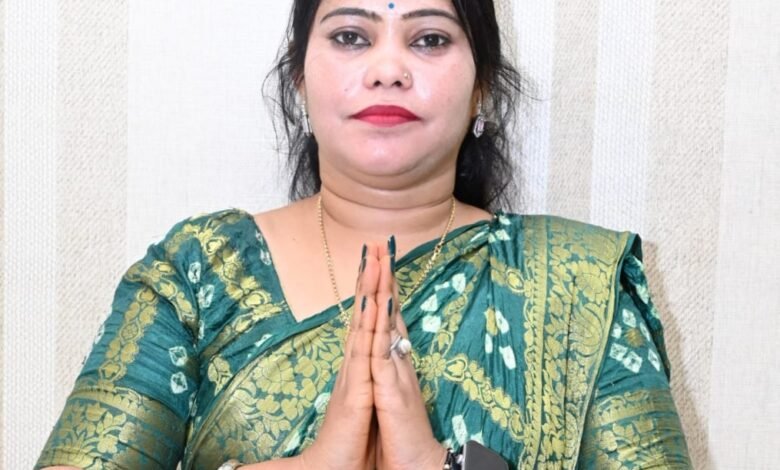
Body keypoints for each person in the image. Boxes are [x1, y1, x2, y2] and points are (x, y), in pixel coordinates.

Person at [37, 0, 691, 469]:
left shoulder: (578, 284)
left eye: (429, 39)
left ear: (483, 89)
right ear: (299, 79)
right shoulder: (200, 273)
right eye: (351, 36)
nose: (388, 69)